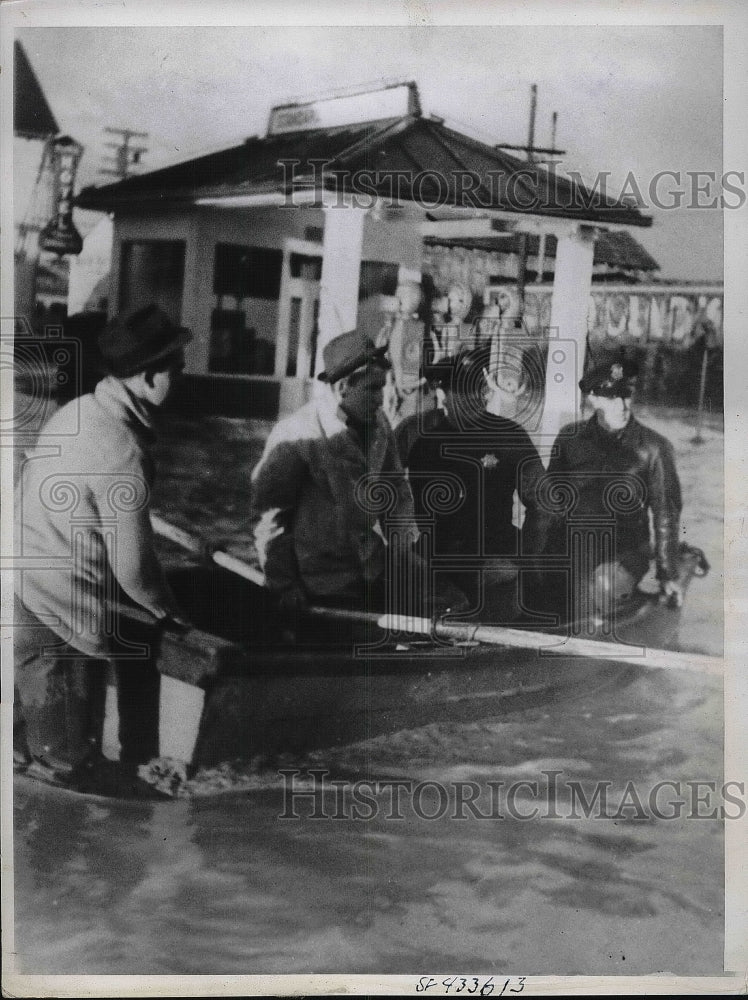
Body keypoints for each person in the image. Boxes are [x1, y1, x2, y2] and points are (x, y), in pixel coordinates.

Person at [14, 303, 192, 796]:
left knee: (21, 760)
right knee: (69, 779)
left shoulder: (76, 413)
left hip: (17, 595)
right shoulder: (122, 450)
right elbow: (134, 570)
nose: (181, 377)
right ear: (146, 375)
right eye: (175, 368)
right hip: (56, 617)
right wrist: (168, 611)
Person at [252, 328, 422, 625]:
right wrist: (283, 583)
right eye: (372, 389)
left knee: (439, 600)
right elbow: (270, 517)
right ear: (343, 388)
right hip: (318, 582)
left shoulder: (379, 425)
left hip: (371, 568)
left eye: (383, 388)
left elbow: (395, 488)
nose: (381, 399)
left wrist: (401, 548)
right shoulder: (299, 434)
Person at [526, 359, 683, 626]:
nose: (623, 405)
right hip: (572, 545)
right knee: (531, 583)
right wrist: (531, 554)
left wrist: (667, 574)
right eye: (613, 397)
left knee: (603, 586)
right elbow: (549, 502)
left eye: (626, 395)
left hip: (626, 549)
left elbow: (666, 515)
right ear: (593, 399)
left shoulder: (655, 448)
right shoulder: (569, 438)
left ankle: (601, 626)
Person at [396, 345, 546, 621]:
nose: (474, 400)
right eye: (461, 393)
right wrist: (404, 555)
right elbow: (386, 492)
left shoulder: (508, 436)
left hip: (491, 561)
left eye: (477, 391)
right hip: (430, 563)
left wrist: (522, 557)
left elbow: (543, 504)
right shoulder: (415, 433)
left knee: (495, 640)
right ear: (444, 395)